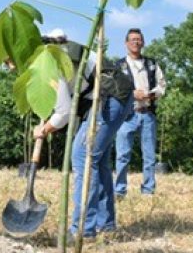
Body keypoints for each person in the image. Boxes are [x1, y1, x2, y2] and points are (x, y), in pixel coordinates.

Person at [33, 30, 133, 239]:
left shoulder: (52, 65)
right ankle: (105, 224)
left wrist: (44, 130)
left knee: (83, 157)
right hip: (117, 96)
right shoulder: (60, 52)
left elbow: (64, 113)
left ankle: (82, 230)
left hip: (109, 99)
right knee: (98, 160)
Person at [114, 28, 166, 197]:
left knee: (149, 155)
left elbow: (162, 85)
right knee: (122, 154)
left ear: (143, 42)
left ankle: (148, 189)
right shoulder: (119, 66)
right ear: (126, 43)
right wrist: (132, 94)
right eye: (132, 39)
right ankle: (120, 190)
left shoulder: (151, 64)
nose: (136, 42)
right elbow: (112, 88)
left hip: (147, 112)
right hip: (126, 115)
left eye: (139, 39)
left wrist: (153, 94)